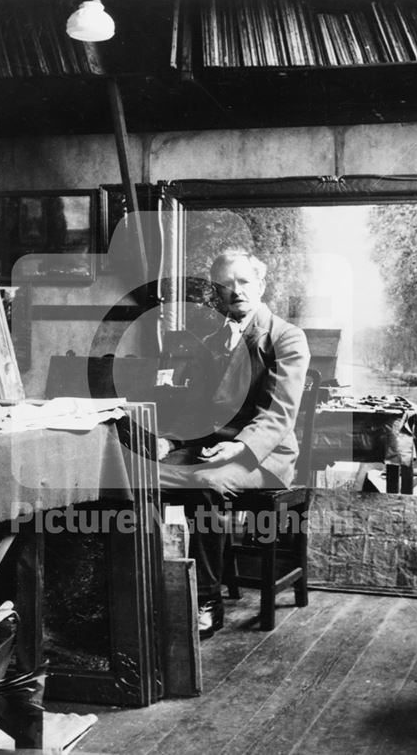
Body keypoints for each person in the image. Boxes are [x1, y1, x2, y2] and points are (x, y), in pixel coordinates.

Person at [157, 247, 310, 639]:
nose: (236, 291)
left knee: (206, 484)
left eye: (243, 282)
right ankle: (153, 589)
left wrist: (239, 448)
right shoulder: (209, 339)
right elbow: (194, 409)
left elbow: (279, 414)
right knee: (138, 472)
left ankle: (207, 601)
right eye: (225, 285)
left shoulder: (287, 339)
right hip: (209, 446)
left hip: (264, 455)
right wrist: (168, 439)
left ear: (260, 285)